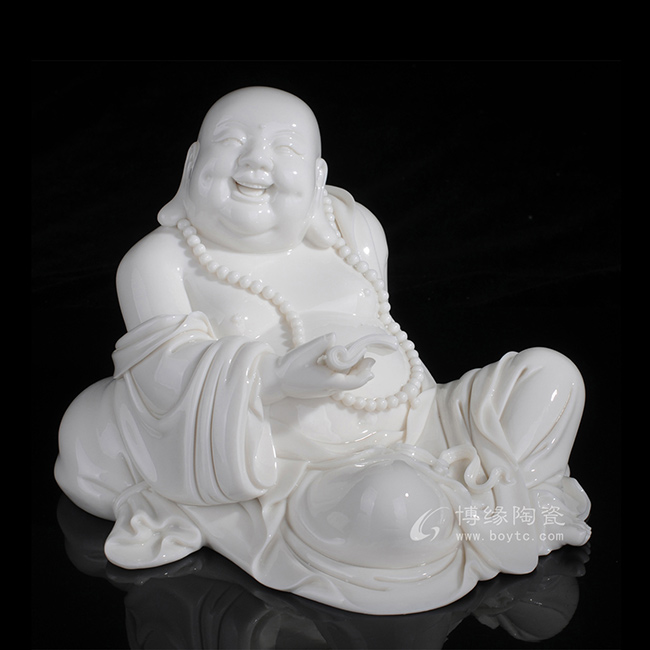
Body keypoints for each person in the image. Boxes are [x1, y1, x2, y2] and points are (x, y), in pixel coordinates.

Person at [55, 87, 591, 615]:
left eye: (285, 148)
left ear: (317, 178)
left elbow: (388, 331)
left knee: (552, 376)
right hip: (301, 473)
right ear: (193, 161)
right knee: (396, 506)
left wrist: (417, 418)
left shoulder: (351, 230)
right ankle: (485, 511)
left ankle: (473, 505)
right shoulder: (159, 262)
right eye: (232, 141)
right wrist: (275, 379)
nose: (256, 161)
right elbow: (161, 375)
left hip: (423, 421)